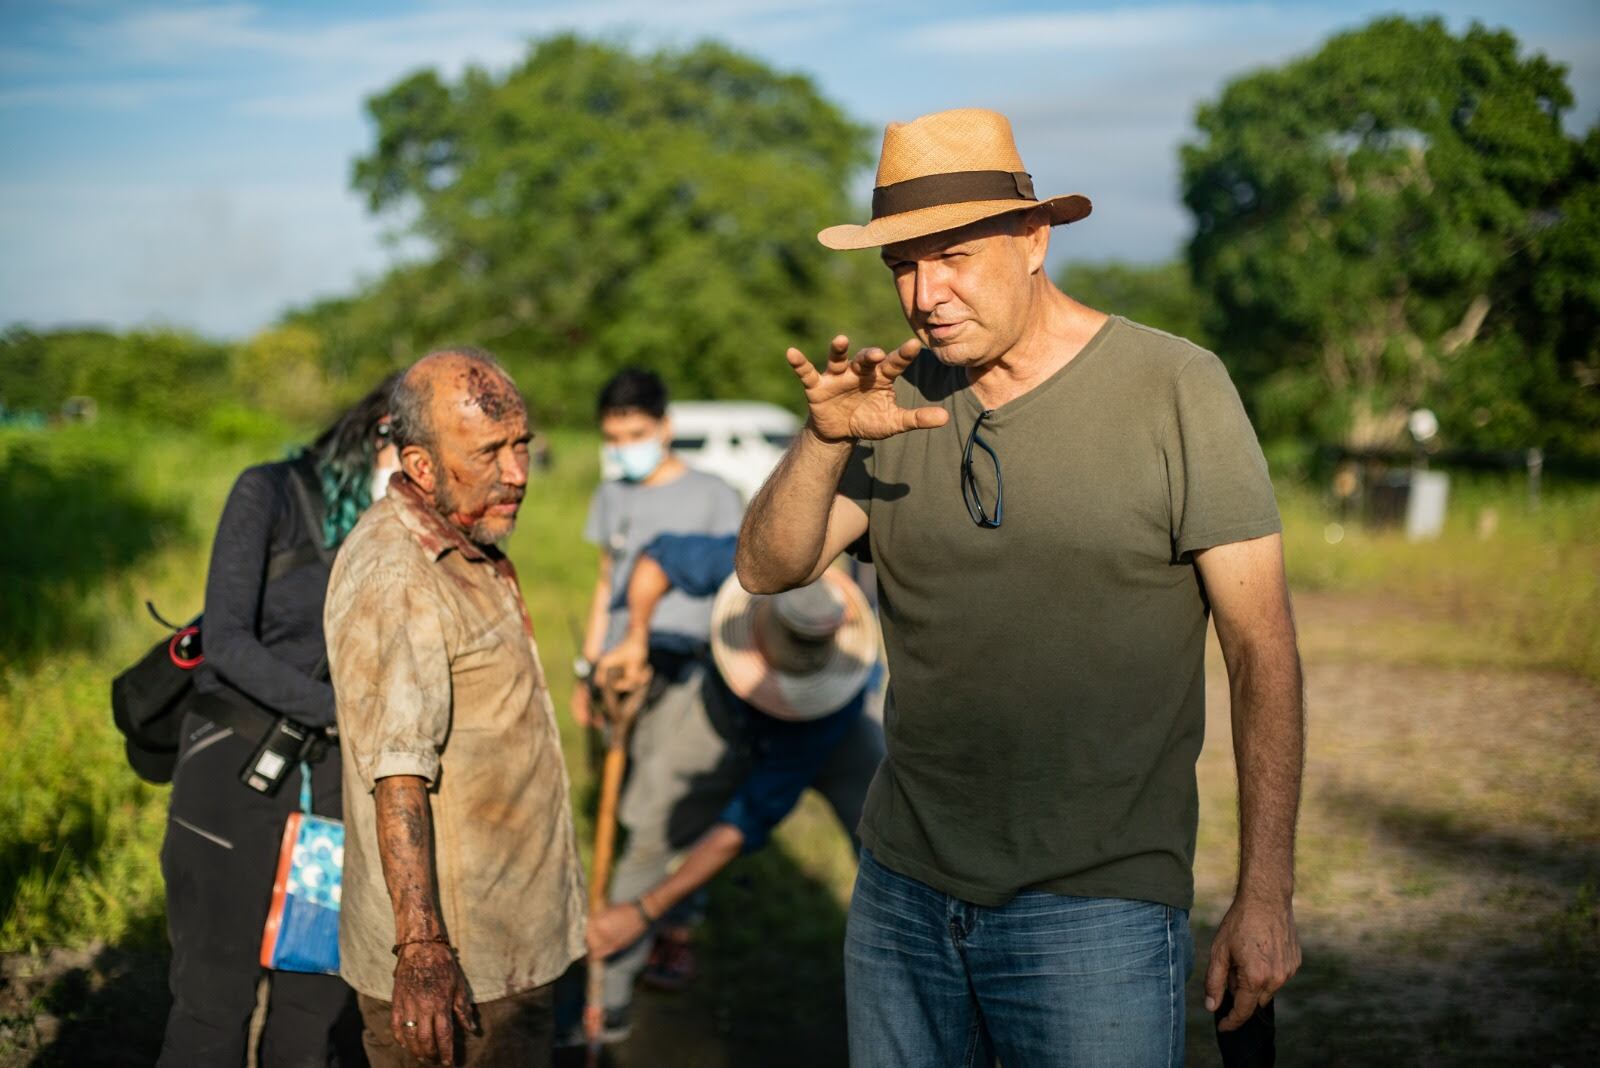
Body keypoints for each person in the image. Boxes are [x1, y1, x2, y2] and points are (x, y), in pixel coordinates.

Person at [736, 107, 1305, 1066]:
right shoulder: (899, 401)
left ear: (1034, 239)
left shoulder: (1175, 388)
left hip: (1098, 911)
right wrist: (824, 441)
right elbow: (766, 567)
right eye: (903, 267)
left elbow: (1262, 648)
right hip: (901, 897)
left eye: (953, 256)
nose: (925, 294)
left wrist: (1264, 896)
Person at [324, 349, 586, 1067]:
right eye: (490, 452)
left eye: (523, 443)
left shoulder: (466, 539)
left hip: (514, 949)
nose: (518, 473)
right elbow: (397, 774)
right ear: (420, 466)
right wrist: (423, 953)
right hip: (458, 978)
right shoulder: (397, 572)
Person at [159, 373, 400, 1066]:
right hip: (234, 772)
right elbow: (227, 639)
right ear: (384, 429)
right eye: (418, 454)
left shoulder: (412, 532)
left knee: (315, 1007)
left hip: (335, 792)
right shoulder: (269, 492)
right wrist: (342, 714)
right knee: (213, 1001)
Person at [584, 533, 884, 972]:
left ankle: (900, 963)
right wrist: (634, 638)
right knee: (651, 835)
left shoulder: (830, 714)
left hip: (821, 739)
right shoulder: (753, 563)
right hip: (716, 712)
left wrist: (644, 911)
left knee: (888, 841)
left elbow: (744, 822)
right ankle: (602, 1005)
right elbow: (657, 559)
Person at [573, 368, 743, 1012]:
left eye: (637, 434)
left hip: (686, 662)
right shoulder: (612, 494)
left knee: (671, 804)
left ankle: (667, 927)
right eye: (614, 437)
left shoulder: (714, 496)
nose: (626, 447)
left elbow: (733, 587)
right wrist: (589, 668)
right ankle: (643, 917)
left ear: (666, 428)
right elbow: (604, 582)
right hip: (622, 667)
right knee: (633, 789)